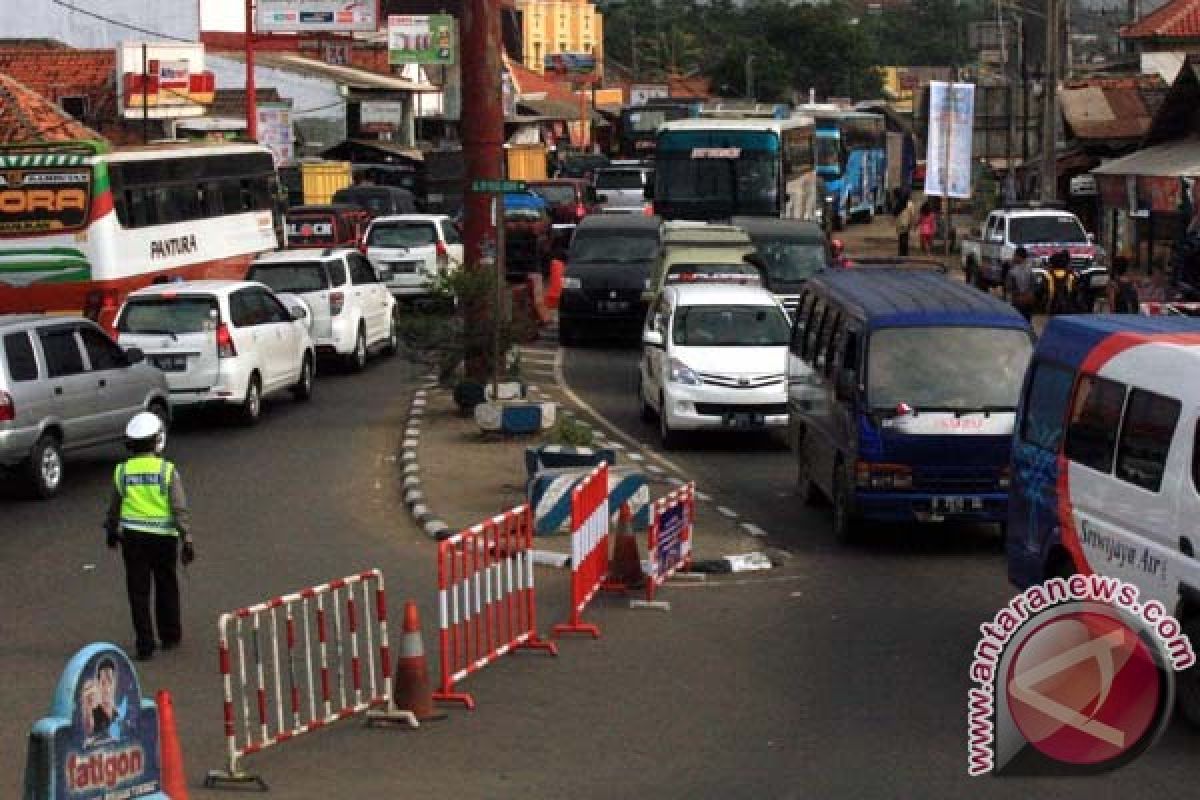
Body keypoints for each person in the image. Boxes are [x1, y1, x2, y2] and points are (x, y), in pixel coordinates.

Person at [104, 412, 194, 662]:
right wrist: (187, 538)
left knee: (138, 590)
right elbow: (179, 507)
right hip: (164, 538)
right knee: (166, 584)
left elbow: (114, 507)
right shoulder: (167, 470)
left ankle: (144, 644)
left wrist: (111, 532)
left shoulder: (122, 471)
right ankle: (170, 635)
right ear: (156, 441)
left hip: (133, 539)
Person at [1006, 246, 1036, 321]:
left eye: (1014, 255)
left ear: (1018, 256)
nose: (1013, 257)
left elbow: (1009, 287)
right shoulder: (1030, 270)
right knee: (1027, 321)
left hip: (1017, 301)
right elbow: (1034, 286)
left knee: (1017, 321)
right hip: (1028, 302)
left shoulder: (1012, 271)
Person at [895, 192, 915, 257]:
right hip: (907, 223)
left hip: (899, 223)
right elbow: (912, 215)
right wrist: (911, 223)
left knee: (900, 237)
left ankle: (900, 252)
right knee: (905, 237)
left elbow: (894, 213)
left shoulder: (898, 202)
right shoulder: (910, 204)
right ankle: (905, 252)